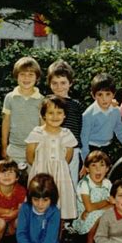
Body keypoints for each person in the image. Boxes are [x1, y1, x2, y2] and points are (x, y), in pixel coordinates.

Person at [2, 173, 64, 243]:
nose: (40, 204)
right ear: (30, 198)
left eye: (45, 200)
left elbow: (51, 239)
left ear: (52, 198)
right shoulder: (25, 208)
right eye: (36, 200)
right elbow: (21, 233)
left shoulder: (55, 211)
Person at [26, 95, 78, 220]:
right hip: (40, 174)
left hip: (60, 177)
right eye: (50, 113)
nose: (55, 117)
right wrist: (41, 166)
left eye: (59, 112)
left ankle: (56, 237)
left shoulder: (67, 134)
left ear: (65, 115)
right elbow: (29, 156)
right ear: (43, 115)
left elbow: (68, 157)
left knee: (59, 208)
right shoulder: (37, 133)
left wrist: (58, 167)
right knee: (40, 207)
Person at [47, 59, 84, 189]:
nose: (59, 87)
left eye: (63, 83)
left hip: (72, 150)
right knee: (52, 184)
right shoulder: (47, 103)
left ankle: (69, 209)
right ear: (49, 84)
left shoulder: (76, 105)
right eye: (55, 83)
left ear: (70, 83)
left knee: (70, 184)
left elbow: (80, 130)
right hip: (52, 149)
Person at [1, 56, 44, 164]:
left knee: (33, 180)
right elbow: (6, 123)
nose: (26, 78)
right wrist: (4, 146)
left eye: (31, 75)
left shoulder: (42, 100)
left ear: (37, 77)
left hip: (35, 147)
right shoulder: (10, 97)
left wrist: (43, 147)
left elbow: (43, 125)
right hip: (14, 148)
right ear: (16, 76)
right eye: (22, 74)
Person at [80, 73, 122, 163]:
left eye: (108, 94)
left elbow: (120, 130)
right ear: (93, 95)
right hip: (91, 148)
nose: (104, 99)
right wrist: (85, 160)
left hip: (107, 147)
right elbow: (84, 138)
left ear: (113, 94)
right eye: (100, 95)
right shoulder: (88, 115)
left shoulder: (115, 111)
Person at [72, 151, 112, 243]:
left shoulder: (107, 184)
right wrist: (107, 202)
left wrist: (108, 204)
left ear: (107, 169)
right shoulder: (85, 184)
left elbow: (113, 203)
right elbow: (89, 208)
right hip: (85, 217)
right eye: (94, 165)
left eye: (102, 165)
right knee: (99, 214)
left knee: (114, 211)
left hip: (99, 212)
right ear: (87, 169)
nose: (98, 169)